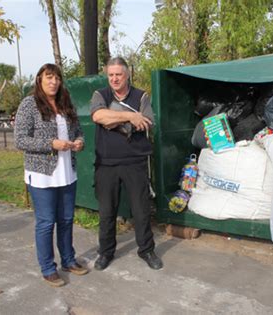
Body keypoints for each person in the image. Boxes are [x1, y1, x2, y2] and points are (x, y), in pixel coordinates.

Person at [14, 63, 88, 287]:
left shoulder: (65, 103)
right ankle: (48, 268)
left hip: (67, 172)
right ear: (39, 79)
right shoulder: (29, 104)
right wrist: (51, 144)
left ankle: (68, 260)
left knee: (66, 220)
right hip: (42, 175)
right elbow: (20, 140)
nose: (53, 82)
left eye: (57, 78)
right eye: (49, 77)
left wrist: (79, 142)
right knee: (46, 223)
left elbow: (79, 131)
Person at [90, 56, 163, 271]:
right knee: (106, 212)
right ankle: (105, 253)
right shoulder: (99, 94)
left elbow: (147, 121)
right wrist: (131, 117)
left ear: (127, 74)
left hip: (135, 162)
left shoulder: (141, 96)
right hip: (106, 163)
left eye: (118, 74)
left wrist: (116, 118)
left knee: (141, 211)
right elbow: (99, 116)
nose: (114, 79)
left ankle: (147, 250)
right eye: (111, 75)